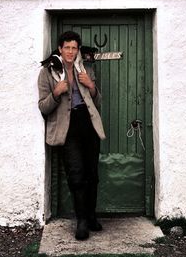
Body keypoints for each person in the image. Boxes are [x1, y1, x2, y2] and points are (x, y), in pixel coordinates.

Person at [38, 31, 106, 240]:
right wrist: (56, 92)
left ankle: (92, 217)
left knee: (91, 175)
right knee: (76, 175)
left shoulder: (84, 68)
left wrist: (91, 86)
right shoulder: (47, 72)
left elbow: (98, 102)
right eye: (66, 47)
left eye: (74, 48)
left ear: (78, 50)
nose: (70, 51)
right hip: (67, 130)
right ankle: (82, 221)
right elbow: (43, 107)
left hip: (88, 124)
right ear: (60, 49)